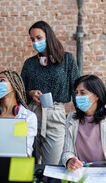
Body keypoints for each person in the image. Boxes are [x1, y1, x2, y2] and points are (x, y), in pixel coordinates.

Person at [21, 21, 80, 165]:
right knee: (27, 163)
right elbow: (19, 91)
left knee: (52, 165)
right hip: (32, 114)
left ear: (49, 37)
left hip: (56, 115)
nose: (35, 42)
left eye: (39, 38)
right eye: (32, 39)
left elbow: (76, 90)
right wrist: (30, 94)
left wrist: (81, 119)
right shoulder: (29, 63)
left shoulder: (67, 60)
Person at [60, 74, 106, 171]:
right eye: (76, 93)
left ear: (96, 95)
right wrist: (69, 160)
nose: (77, 96)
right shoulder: (72, 118)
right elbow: (67, 152)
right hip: (80, 174)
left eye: (82, 92)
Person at [0, 70, 37, 157]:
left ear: (14, 85)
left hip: (14, 165)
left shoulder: (27, 116)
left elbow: (25, 151)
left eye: (2, 80)